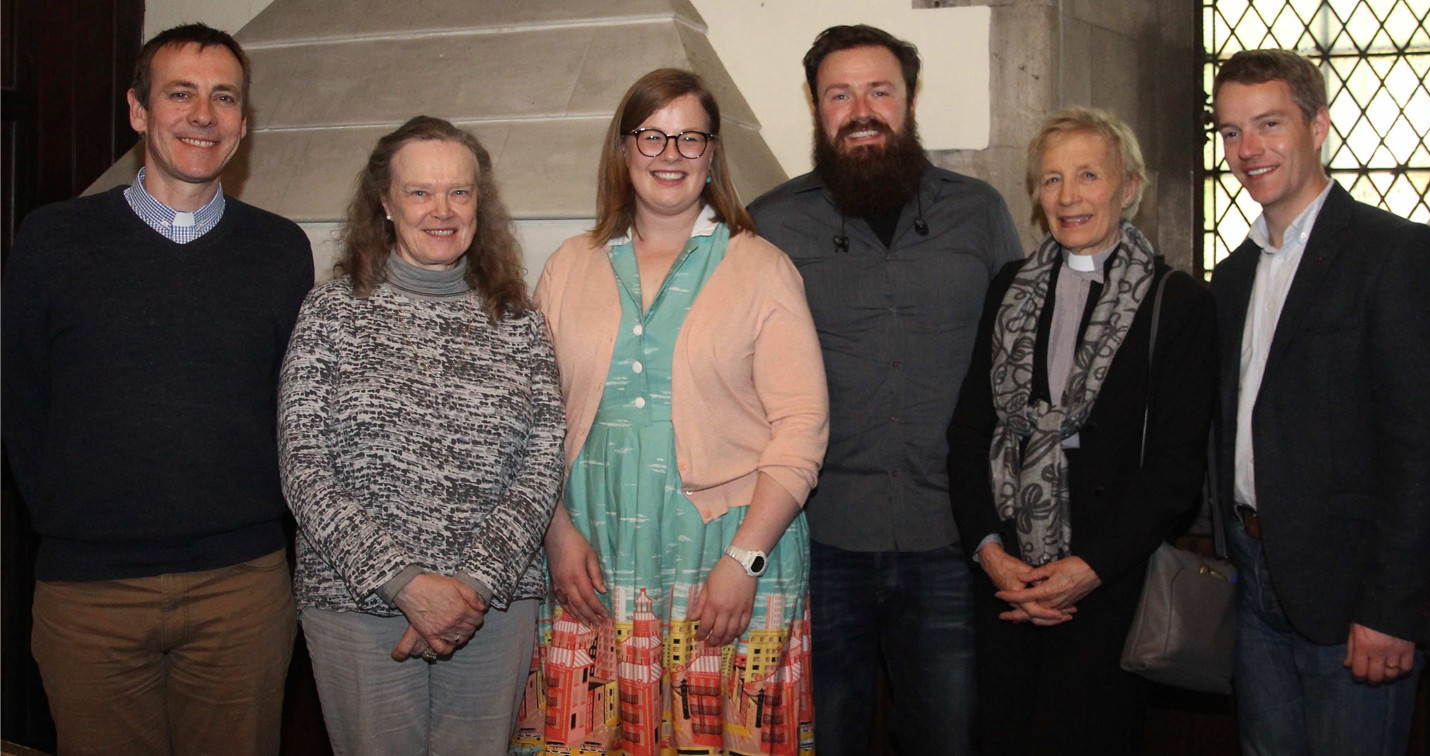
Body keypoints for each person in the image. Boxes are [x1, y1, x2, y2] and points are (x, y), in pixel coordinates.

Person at [0, 23, 313, 756]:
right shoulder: (52, 240)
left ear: (243, 122)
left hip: (242, 590)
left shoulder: (280, 250)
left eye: (223, 98)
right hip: (90, 592)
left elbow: (294, 407)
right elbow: (18, 395)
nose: (203, 115)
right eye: (181, 93)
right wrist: (72, 515)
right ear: (139, 110)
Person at [514, 68, 827, 754]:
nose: (671, 155)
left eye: (691, 139)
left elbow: (802, 428)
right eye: (652, 137)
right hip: (591, 557)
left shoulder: (762, 268)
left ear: (714, 155)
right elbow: (529, 419)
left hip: (725, 554)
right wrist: (554, 534)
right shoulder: (569, 266)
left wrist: (745, 561)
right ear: (623, 151)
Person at [747, 24, 1022, 754]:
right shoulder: (769, 224)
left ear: (909, 99)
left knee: (949, 737)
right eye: (840, 94)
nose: (861, 108)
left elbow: (1021, 363)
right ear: (815, 106)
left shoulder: (980, 211)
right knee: (823, 738)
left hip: (954, 540)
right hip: (817, 541)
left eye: (879, 90)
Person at [278, 115, 564, 755]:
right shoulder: (329, 313)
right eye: (420, 192)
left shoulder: (520, 322)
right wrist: (406, 585)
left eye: (460, 192)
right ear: (383, 202)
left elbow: (543, 465)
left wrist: (471, 589)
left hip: (491, 610)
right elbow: (303, 467)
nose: (442, 210)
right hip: (358, 610)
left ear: (479, 204)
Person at [947, 107, 1216, 754]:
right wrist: (991, 555)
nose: (1069, 196)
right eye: (1051, 179)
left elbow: (1176, 469)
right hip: (1007, 581)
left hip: (1111, 583)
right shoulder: (1008, 288)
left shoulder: (1176, 302)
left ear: (1128, 187)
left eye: (1088, 175)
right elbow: (968, 433)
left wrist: (1087, 570)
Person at [1211, 49, 1430, 755]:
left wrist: (1392, 609)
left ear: (1319, 126)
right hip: (1253, 578)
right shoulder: (1235, 273)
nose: (1249, 149)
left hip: (1352, 600)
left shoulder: (1394, 252)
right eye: (1231, 132)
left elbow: (1421, 445)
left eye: (1269, 124)